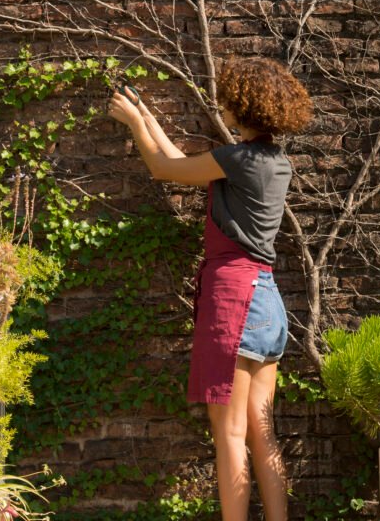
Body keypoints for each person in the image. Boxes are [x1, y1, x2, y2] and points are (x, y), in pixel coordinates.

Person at [108, 56, 312, 521]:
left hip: (235, 298)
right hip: (267, 300)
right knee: (263, 432)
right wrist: (148, 117)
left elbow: (163, 168)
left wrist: (134, 120)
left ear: (243, 107)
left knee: (231, 433)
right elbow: (182, 163)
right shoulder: (273, 162)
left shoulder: (237, 160)